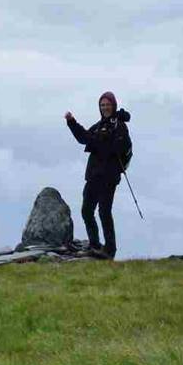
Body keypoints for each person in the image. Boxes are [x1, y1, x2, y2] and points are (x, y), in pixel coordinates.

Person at [64, 91, 132, 260]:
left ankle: (109, 250)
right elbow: (84, 138)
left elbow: (120, 147)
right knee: (87, 210)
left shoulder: (120, 125)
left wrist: (100, 142)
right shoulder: (99, 125)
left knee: (104, 211)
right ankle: (94, 245)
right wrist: (72, 122)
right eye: (102, 105)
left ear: (113, 105)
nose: (105, 107)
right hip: (94, 175)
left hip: (109, 176)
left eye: (108, 104)